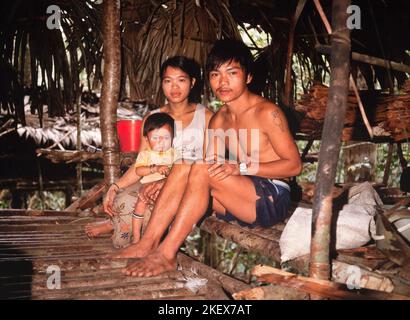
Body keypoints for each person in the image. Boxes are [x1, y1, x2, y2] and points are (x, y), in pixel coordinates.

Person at [115, 39, 302, 277]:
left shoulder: (267, 113)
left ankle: (166, 254)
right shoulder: (219, 119)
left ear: (248, 77)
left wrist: (240, 167)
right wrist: (167, 182)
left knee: (198, 167)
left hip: (270, 198)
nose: (222, 82)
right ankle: (146, 243)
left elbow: (294, 166)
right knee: (185, 166)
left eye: (231, 73)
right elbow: (199, 167)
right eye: (215, 74)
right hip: (235, 198)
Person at [84, 56, 213, 246]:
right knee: (125, 198)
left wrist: (165, 181)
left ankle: (133, 237)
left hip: (187, 186)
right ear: (161, 83)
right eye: (168, 81)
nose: (174, 87)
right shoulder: (152, 118)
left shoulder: (207, 117)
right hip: (152, 179)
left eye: (181, 80)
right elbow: (141, 163)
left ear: (192, 82)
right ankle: (120, 228)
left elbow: (208, 163)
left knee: (149, 205)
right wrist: (115, 186)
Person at [132, 113, 177, 243]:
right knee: (140, 205)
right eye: (155, 138)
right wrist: (154, 168)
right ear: (146, 139)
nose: (161, 142)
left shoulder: (175, 154)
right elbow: (138, 170)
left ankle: (164, 239)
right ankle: (136, 237)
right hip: (147, 187)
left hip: (167, 188)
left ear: (173, 138)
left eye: (166, 138)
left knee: (169, 208)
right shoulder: (146, 155)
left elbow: (179, 171)